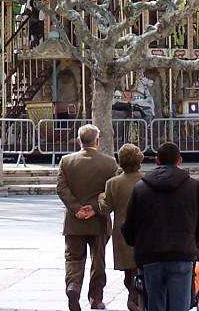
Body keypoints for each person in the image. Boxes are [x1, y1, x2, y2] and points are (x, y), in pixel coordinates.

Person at [121, 141, 199, 311]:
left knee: (154, 303)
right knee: (180, 304)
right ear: (179, 160)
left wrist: (139, 243)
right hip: (182, 253)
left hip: (151, 255)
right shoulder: (193, 186)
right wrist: (193, 241)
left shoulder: (141, 188)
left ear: (156, 161)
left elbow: (129, 226)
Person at [57, 124, 119, 311]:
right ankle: (96, 298)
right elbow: (111, 192)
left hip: (74, 221)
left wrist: (76, 209)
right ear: (97, 141)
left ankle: (73, 286)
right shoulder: (109, 163)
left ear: (79, 141)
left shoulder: (66, 161)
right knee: (98, 260)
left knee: (74, 258)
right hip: (98, 221)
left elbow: (61, 188)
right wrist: (94, 208)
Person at [98, 143, 144, 311]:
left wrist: (100, 199)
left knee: (128, 270)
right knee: (142, 266)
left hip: (122, 231)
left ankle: (133, 296)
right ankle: (137, 297)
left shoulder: (113, 183)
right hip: (144, 231)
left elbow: (106, 209)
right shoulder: (145, 180)